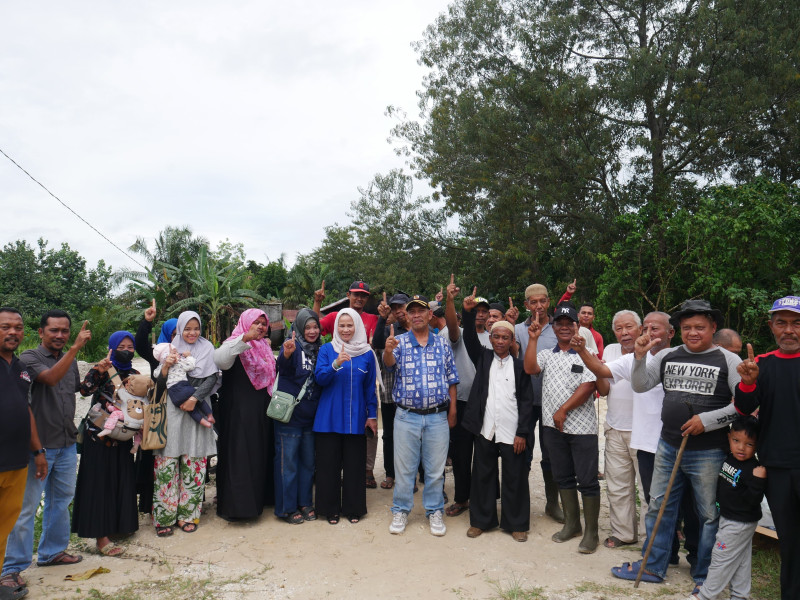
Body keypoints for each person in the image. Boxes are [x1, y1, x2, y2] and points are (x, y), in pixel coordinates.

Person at [611, 299, 742, 592]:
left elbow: (742, 405)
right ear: (679, 330)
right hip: (668, 445)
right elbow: (641, 385)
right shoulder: (669, 355)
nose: (693, 332)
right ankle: (654, 565)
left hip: (708, 449)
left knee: (707, 513)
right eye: (687, 328)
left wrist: (706, 420)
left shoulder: (727, 360)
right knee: (659, 505)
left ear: (713, 328)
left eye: (700, 327)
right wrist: (640, 357)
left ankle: (706, 574)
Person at [3, 310, 89, 589]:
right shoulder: (28, 359)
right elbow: (51, 378)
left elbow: (74, 388)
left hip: (65, 442)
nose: (60, 336)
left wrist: (95, 374)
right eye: (54, 330)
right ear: (41, 332)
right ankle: (12, 567)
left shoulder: (69, 360)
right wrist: (75, 348)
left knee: (61, 501)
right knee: (25, 509)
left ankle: (52, 552)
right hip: (38, 447)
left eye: (65, 331)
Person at [734, 295, 800, 600]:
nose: (789, 330)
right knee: (790, 540)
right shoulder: (760, 364)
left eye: (797, 323)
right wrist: (747, 383)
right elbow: (744, 409)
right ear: (771, 326)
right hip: (778, 466)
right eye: (782, 322)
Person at [523, 303, 603, 553]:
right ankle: (572, 524)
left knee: (587, 480)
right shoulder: (548, 354)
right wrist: (533, 339)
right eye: (560, 324)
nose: (565, 328)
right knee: (563, 477)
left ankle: (591, 532)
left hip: (582, 428)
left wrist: (564, 409)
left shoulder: (587, 352)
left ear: (577, 327)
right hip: (552, 427)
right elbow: (530, 368)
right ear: (554, 327)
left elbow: (589, 385)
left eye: (570, 324)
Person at [460, 289, 534, 542]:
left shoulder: (520, 366)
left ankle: (516, 523)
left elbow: (526, 402)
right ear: (490, 339)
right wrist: (467, 313)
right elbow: (469, 337)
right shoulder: (483, 358)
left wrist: (523, 432)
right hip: (486, 429)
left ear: (512, 340)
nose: (501, 341)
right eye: (497, 337)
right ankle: (481, 521)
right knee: (482, 476)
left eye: (506, 337)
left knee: (515, 477)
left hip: (513, 432)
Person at [384, 295, 459, 536]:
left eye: (421, 311)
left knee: (436, 469)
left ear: (429, 315)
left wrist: (453, 410)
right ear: (406, 316)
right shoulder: (400, 343)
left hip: (437, 416)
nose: (416, 315)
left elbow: (451, 379)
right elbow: (388, 364)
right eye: (412, 311)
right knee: (404, 468)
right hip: (407, 416)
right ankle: (401, 510)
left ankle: (434, 510)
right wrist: (387, 350)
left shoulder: (442, 344)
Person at [72, 332, 141, 558]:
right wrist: (98, 370)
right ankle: (101, 537)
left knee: (121, 479)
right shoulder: (102, 370)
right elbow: (84, 391)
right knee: (99, 484)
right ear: (112, 347)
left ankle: (121, 526)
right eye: (122, 345)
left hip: (123, 437)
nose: (127, 349)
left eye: (130, 346)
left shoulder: (135, 374)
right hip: (98, 436)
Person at [152, 311, 218, 535]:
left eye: (196, 328)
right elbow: (158, 383)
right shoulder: (168, 348)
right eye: (187, 328)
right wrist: (165, 367)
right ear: (179, 329)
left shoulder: (207, 348)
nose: (192, 333)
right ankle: (165, 517)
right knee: (167, 463)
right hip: (172, 411)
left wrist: (194, 399)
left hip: (196, 406)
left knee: (194, 462)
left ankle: (188, 515)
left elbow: (212, 377)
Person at [313, 309, 379, 524]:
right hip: (329, 419)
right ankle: (329, 509)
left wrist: (372, 416)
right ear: (335, 328)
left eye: (350, 325)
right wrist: (335, 364)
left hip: (356, 419)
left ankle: (353, 508)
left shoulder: (367, 353)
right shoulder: (326, 349)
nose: (346, 329)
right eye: (341, 325)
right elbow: (320, 379)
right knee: (328, 467)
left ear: (357, 326)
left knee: (354, 466)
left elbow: (370, 388)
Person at [689, 415, 766, 600]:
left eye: (749, 444)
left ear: (757, 445)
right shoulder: (729, 458)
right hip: (728, 518)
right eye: (736, 440)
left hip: (739, 522)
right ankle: (740, 595)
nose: (741, 447)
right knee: (741, 559)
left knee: (720, 558)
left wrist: (758, 481)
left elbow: (753, 499)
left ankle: (705, 596)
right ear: (729, 437)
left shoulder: (753, 469)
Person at [0, 308, 46, 600]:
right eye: (5, 327)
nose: (13, 332)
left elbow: (26, 410)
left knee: (5, 523)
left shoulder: (21, 369)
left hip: (17, 461)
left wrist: (38, 450)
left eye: (18, 327)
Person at [213, 308, 276, 521]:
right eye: (255, 322)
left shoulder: (265, 348)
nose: (260, 326)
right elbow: (221, 361)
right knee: (240, 456)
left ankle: (260, 500)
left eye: (263, 323)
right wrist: (243, 339)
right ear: (245, 323)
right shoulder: (232, 342)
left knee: (259, 454)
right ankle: (238, 508)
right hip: (238, 412)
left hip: (260, 411)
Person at [272, 308, 321, 524]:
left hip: (311, 419)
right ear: (299, 327)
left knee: (308, 463)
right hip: (289, 418)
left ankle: (305, 503)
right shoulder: (293, 345)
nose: (312, 331)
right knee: (287, 464)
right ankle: (287, 508)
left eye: (315, 327)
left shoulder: (320, 350)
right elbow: (281, 366)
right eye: (307, 327)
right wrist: (287, 353)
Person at [133, 301, 176, 515]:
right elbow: (139, 345)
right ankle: (154, 502)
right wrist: (147, 322)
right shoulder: (158, 353)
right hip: (160, 409)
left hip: (184, 410)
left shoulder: (192, 354)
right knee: (157, 453)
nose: (179, 337)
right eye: (175, 333)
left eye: (183, 331)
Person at [440, 276, 477, 518]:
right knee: (462, 455)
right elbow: (452, 327)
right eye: (477, 311)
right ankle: (462, 498)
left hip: (488, 404)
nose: (482, 315)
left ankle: (483, 498)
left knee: (485, 455)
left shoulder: (498, 335)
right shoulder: (459, 334)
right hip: (462, 402)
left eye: (486, 311)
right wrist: (450, 302)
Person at [372, 293, 411, 490]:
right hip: (389, 394)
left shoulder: (419, 330)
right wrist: (381, 318)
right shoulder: (389, 330)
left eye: (401, 307)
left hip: (411, 395)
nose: (398, 311)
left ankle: (412, 475)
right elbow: (377, 343)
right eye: (394, 308)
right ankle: (390, 473)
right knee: (389, 435)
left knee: (411, 437)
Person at [152, 343, 214, 427]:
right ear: (166, 356)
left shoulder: (161, 366)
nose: (178, 354)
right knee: (198, 398)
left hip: (173, 395)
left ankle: (203, 422)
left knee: (191, 411)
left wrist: (164, 366)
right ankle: (209, 415)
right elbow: (191, 366)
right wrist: (188, 357)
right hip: (183, 387)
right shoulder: (179, 363)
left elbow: (155, 374)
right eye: (175, 352)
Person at [312, 280, 379, 340]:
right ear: (348, 295)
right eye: (356, 295)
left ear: (367, 299)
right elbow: (315, 327)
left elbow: (376, 342)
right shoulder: (334, 317)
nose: (359, 299)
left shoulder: (373, 319)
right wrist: (317, 302)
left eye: (363, 296)